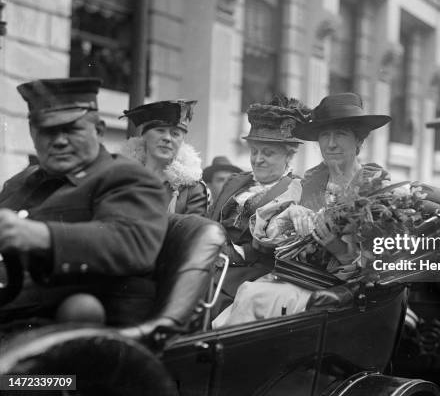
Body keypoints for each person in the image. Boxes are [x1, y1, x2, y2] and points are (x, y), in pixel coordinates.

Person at [213, 92, 394, 327]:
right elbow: (265, 232)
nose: (331, 144)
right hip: (295, 279)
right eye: (324, 135)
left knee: (252, 297)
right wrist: (289, 214)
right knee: (245, 295)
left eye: (340, 134)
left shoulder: (376, 187)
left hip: (341, 295)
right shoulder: (308, 182)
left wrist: (337, 248)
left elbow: (383, 263)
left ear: (359, 141)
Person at [0, 78, 168, 326]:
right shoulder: (23, 181)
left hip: (67, 330)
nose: (58, 141)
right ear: (32, 134)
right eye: (46, 131)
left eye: (71, 129)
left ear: (98, 130)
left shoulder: (126, 177)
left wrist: (40, 235)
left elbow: (133, 242)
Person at [207, 96, 309, 315]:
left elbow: (279, 249)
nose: (258, 159)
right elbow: (210, 220)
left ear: (288, 155)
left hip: (250, 274)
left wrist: (233, 252)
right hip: (209, 258)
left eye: (268, 152)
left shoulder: (296, 190)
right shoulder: (236, 181)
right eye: (255, 151)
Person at [119, 100, 210, 215]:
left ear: (182, 141)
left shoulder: (192, 189)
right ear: (144, 135)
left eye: (175, 134)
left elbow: (192, 230)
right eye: (160, 130)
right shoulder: (121, 178)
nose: (167, 138)